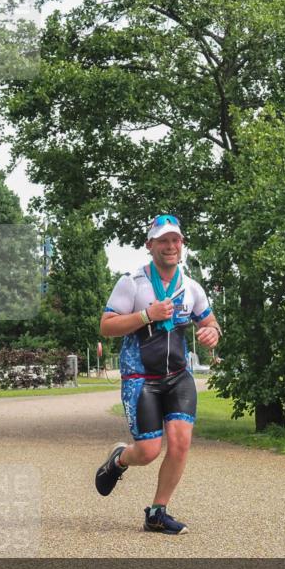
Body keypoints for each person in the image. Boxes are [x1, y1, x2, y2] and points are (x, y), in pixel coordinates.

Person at [95, 214, 221, 534]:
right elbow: (106, 326)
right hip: (141, 378)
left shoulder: (190, 287)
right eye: (162, 240)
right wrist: (146, 314)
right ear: (150, 245)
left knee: (180, 444)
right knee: (149, 452)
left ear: (182, 245)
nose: (170, 246)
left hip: (178, 376)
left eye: (175, 240)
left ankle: (157, 512)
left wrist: (211, 333)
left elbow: (209, 322)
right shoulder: (132, 283)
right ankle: (120, 459)